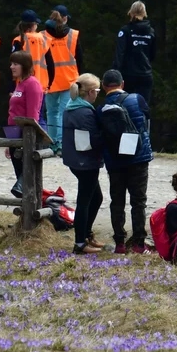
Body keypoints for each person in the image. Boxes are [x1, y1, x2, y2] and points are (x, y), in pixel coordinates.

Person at [100, 69, 153, 254]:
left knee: (117, 201)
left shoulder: (101, 109)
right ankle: (139, 243)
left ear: (104, 86)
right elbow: (146, 117)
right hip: (138, 157)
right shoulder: (137, 99)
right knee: (138, 201)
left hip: (115, 161)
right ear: (122, 84)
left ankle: (120, 243)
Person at [61, 73, 104, 254]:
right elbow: (94, 138)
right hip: (86, 162)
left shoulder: (70, 108)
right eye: (97, 91)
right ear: (91, 92)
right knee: (85, 201)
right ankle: (80, 243)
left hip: (75, 160)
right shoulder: (86, 112)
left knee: (96, 197)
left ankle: (86, 234)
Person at [44, 5, 82, 155]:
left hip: (49, 79)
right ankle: (61, 144)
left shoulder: (43, 35)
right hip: (69, 78)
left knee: (51, 113)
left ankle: (53, 142)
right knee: (64, 112)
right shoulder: (73, 34)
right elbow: (79, 59)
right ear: (65, 18)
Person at [6, 50, 43, 199]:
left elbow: (32, 115)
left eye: (15, 64)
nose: (11, 67)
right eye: (11, 63)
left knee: (26, 180)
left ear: (25, 65)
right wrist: (10, 142)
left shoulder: (32, 84)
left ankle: (28, 217)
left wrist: (27, 141)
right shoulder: (20, 84)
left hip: (25, 136)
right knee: (20, 176)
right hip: (14, 134)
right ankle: (23, 217)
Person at [112, 1, 155, 109]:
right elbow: (153, 54)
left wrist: (115, 73)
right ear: (144, 13)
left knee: (125, 107)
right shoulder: (151, 32)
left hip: (128, 75)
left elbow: (119, 53)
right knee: (143, 108)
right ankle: (144, 126)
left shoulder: (125, 31)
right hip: (145, 74)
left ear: (131, 13)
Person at [10, 10, 55, 94]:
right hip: (41, 85)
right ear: (33, 25)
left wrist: (11, 88)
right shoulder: (44, 40)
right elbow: (50, 64)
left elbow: (13, 66)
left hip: (21, 85)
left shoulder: (19, 40)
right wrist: (49, 85)